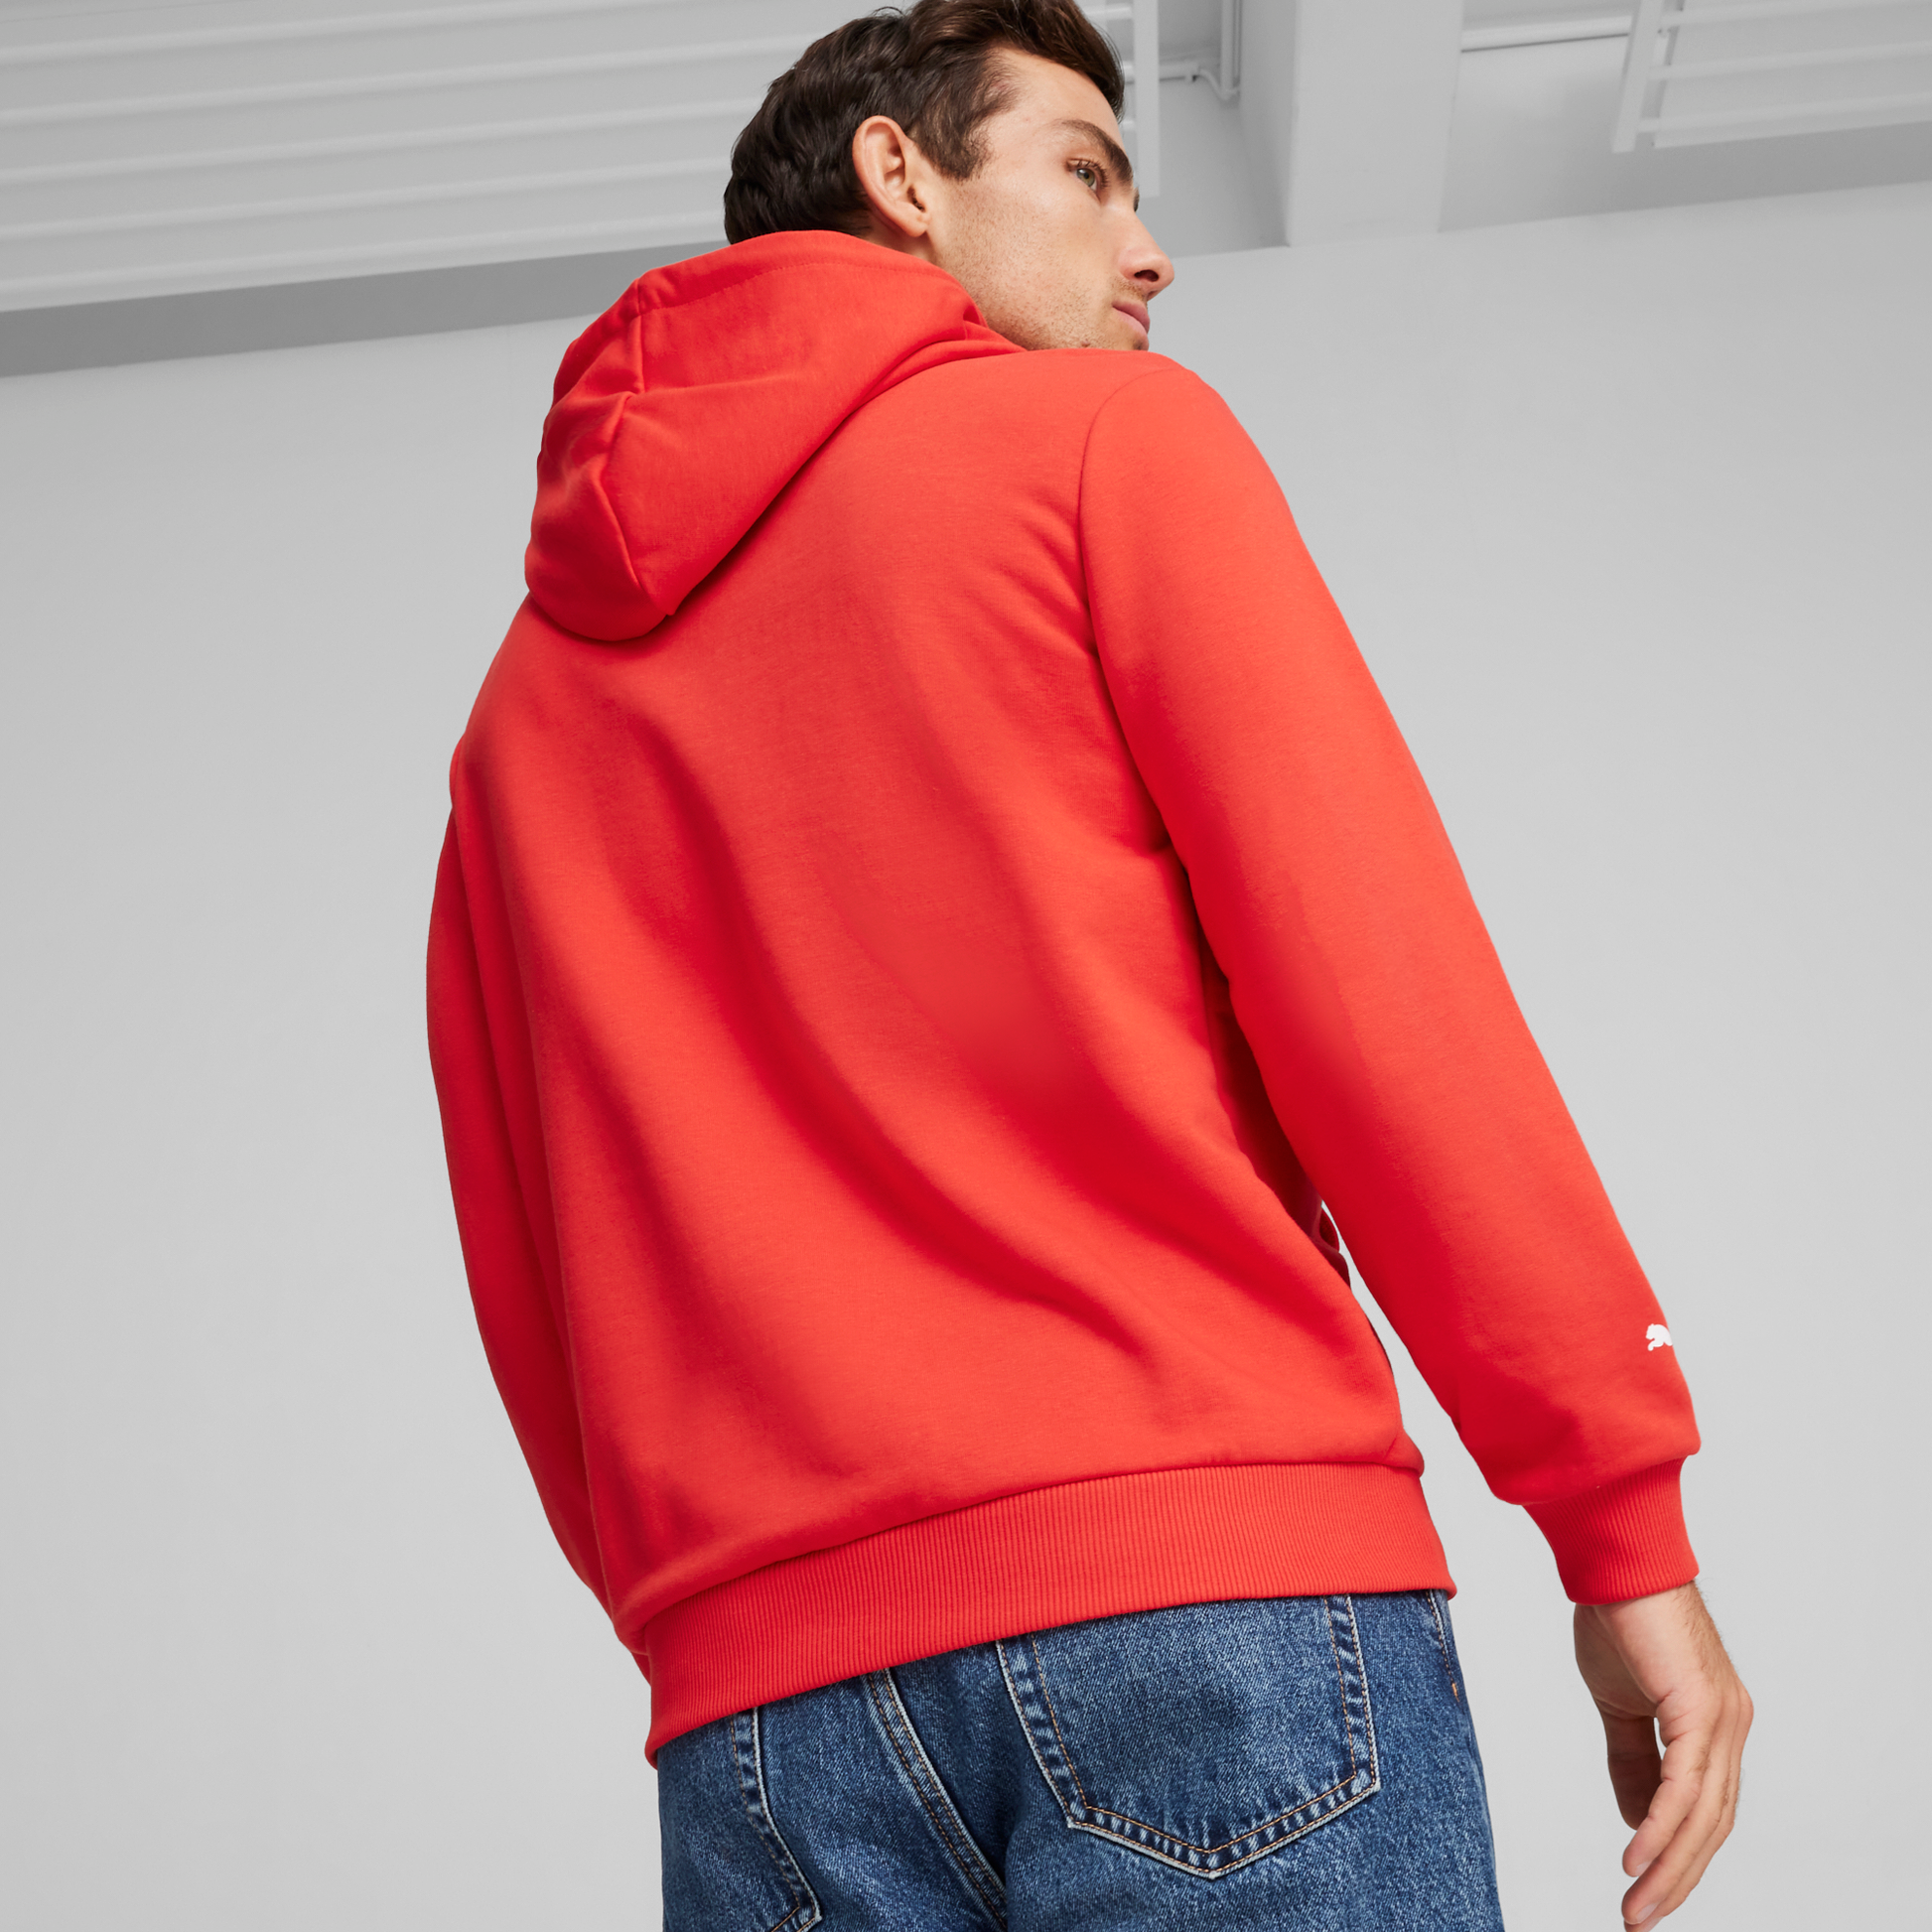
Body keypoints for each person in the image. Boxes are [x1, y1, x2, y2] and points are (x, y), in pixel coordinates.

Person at [426, 2, 1751, 1924]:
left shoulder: (515, 720)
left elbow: (530, 1260)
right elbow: (1383, 1004)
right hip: (1206, 1596)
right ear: (900, 174)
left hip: (761, 1725)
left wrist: (726, 1612)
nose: (1148, 249)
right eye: (1086, 172)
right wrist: (1617, 1522)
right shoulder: (1106, 442)